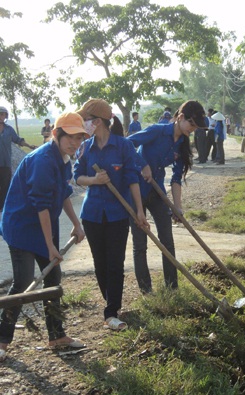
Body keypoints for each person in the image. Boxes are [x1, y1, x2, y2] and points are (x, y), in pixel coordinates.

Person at [0, 112, 88, 362]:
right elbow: (41, 205)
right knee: (23, 283)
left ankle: (56, 335)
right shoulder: (41, 160)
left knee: (53, 279)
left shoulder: (63, 159)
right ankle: (2, 340)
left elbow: (63, 193)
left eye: (79, 138)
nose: (75, 143)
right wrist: (50, 246)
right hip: (21, 227)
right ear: (56, 134)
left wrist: (76, 224)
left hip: (42, 227)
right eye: (70, 137)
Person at [74, 98, 149, 331]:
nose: (83, 125)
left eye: (85, 121)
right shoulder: (85, 147)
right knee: (100, 263)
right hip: (93, 214)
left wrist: (139, 211)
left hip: (118, 214)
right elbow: (77, 177)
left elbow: (132, 180)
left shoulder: (124, 146)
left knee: (116, 262)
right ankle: (110, 304)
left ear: (97, 122)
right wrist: (94, 180)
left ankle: (111, 310)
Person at [127, 100, 207, 293]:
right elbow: (127, 144)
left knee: (167, 240)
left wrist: (177, 208)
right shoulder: (157, 131)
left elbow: (177, 178)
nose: (193, 130)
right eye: (192, 125)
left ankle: (172, 288)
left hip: (157, 193)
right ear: (180, 118)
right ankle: (146, 291)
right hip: (136, 190)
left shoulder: (181, 145)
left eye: (196, 127)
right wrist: (142, 164)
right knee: (141, 243)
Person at [0, 106, 36, 211]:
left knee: (5, 186)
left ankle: (2, 208)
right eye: (0, 114)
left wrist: (29, 145)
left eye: (3, 115)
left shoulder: (9, 130)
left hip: (6, 163)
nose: (1, 117)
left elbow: (18, 140)